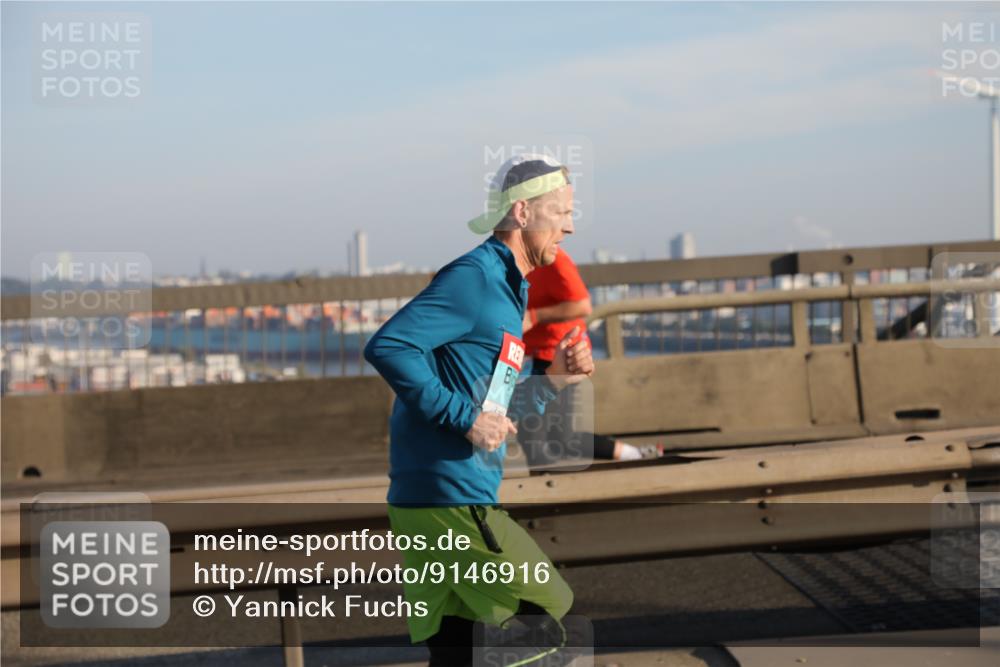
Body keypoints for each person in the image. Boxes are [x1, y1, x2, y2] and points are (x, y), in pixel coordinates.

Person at [364, 154, 593, 667]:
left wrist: (559, 375)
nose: (571, 226)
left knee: (454, 650)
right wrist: (463, 418)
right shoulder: (474, 277)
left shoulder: (511, 290)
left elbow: (497, 412)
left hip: (428, 501)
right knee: (550, 616)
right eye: (561, 211)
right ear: (521, 213)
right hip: (452, 500)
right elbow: (389, 346)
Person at [520, 247, 663, 464]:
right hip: (533, 354)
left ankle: (636, 455)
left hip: (561, 355)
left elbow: (583, 305)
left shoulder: (554, 257)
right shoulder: (515, 259)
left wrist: (534, 316)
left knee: (554, 439)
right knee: (543, 437)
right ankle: (636, 454)